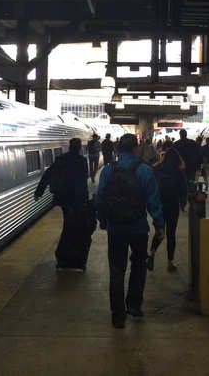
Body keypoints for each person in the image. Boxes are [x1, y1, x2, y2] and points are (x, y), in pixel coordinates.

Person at [96, 133, 165, 328]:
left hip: (115, 229)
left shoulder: (108, 171)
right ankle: (134, 305)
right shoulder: (145, 171)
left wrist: (103, 221)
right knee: (138, 267)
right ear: (136, 149)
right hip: (138, 228)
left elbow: (100, 199)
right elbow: (153, 201)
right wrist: (159, 225)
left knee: (117, 270)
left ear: (118, 149)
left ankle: (118, 315)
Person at [35, 138, 95, 271]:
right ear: (79, 148)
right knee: (72, 227)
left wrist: (39, 192)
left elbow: (48, 174)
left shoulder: (60, 159)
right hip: (76, 200)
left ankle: (64, 259)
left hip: (63, 200)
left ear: (69, 146)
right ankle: (72, 260)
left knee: (68, 225)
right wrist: (85, 201)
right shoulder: (81, 161)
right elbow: (83, 182)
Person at [154, 147, 187, 271]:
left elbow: (151, 169)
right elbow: (183, 190)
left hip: (160, 205)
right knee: (171, 234)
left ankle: (152, 253)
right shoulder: (178, 171)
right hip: (172, 205)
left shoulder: (159, 169)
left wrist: (160, 160)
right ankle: (170, 262)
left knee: (160, 230)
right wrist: (183, 203)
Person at [173, 129, 202, 205]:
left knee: (181, 183)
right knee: (191, 182)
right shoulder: (193, 143)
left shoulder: (176, 144)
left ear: (180, 135)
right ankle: (192, 200)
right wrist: (199, 165)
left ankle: (182, 201)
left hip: (180, 168)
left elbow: (173, 157)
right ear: (186, 134)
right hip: (192, 167)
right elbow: (199, 155)